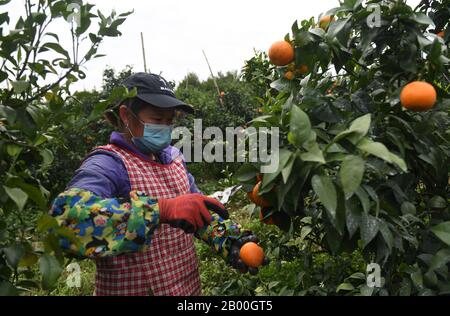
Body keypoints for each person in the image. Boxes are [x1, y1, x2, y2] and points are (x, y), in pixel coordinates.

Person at [49, 72, 265, 296]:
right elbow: (65, 219)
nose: (165, 127)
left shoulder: (173, 157)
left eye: (170, 120)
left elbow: (199, 214)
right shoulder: (108, 164)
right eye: (157, 119)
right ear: (126, 115)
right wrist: (162, 210)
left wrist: (230, 240)